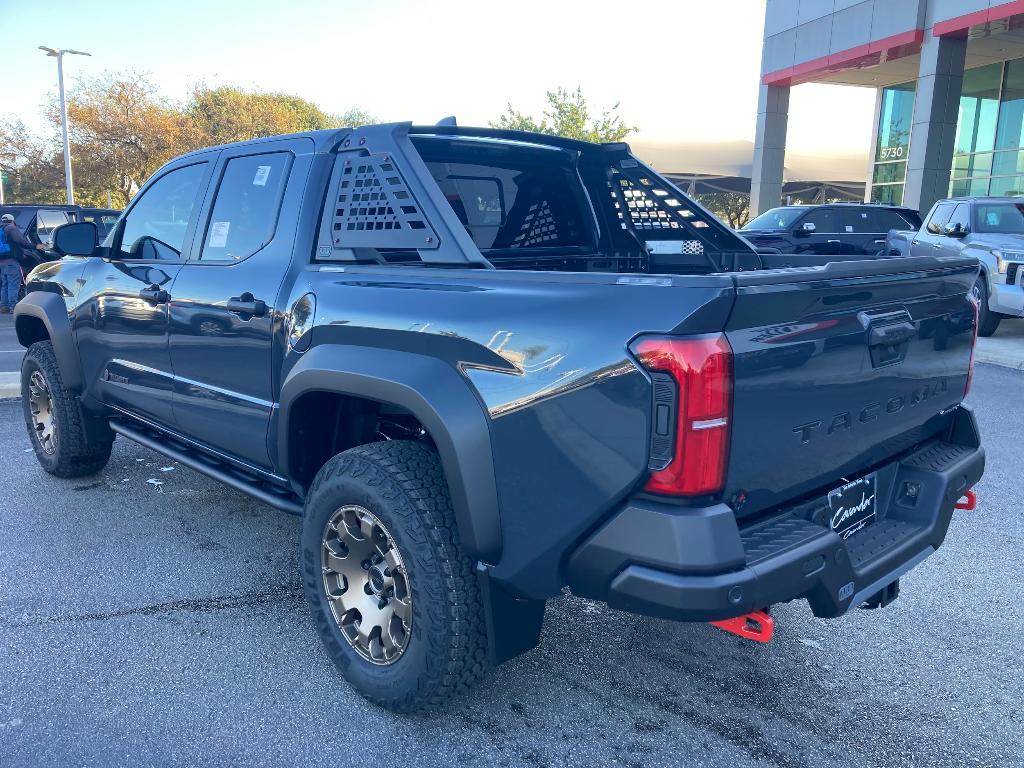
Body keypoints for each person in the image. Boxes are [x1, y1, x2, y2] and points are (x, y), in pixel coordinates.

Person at [0, 213, 45, 313]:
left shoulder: (1, 229)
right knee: (13, 283)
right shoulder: (11, 228)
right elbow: (20, 241)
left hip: (2, 261)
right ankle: (13, 306)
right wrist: (35, 246)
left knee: (5, 284)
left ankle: (4, 306)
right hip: (11, 260)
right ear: (12, 220)